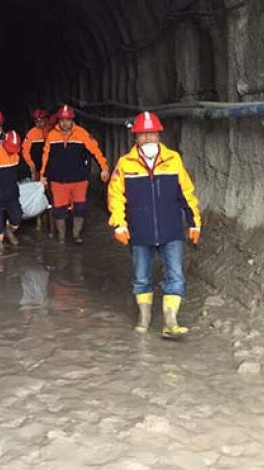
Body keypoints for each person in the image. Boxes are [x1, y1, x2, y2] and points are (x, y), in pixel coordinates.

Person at [107, 111, 202, 338]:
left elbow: (186, 193)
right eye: (143, 134)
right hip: (140, 231)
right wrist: (118, 224)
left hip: (171, 230)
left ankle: (170, 321)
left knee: (176, 276)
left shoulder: (173, 160)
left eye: (152, 133)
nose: (149, 138)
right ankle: (144, 318)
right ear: (136, 137)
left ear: (159, 135)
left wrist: (194, 222)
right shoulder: (125, 164)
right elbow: (115, 196)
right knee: (141, 277)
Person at [40, 105, 110, 244]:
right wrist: (43, 175)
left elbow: (95, 151)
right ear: (58, 120)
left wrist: (104, 168)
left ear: (72, 120)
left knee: (80, 208)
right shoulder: (52, 135)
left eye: (67, 120)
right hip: (58, 180)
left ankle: (76, 235)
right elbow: (46, 156)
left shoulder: (82, 134)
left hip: (79, 179)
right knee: (59, 210)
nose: (64, 123)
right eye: (62, 120)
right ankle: (61, 238)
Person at [22, 109, 55, 236]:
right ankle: (39, 222)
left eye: (41, 120)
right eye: (36, 121)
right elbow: (25, 151)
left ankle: (49, 224)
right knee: (39, 194)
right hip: (37, 169)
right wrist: (31, 164)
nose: (39, 123)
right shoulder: (31, 134)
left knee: (51, 195)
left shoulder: (52, 131)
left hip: (51, 169)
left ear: (46, 119)